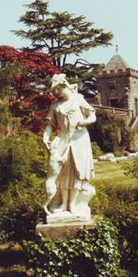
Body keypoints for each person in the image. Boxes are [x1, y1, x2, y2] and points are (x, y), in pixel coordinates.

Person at [43, 74, 96, 220]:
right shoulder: (55, 106)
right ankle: (63, 204)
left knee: (78, 173)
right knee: (62, 175)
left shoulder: (78, 99)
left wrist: (85, 122)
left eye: (56, 90)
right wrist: (45, 137)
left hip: (80, 140)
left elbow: (92, 116)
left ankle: (73, 205)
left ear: (63, 86)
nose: (55, 93)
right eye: (54, 91)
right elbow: (50, 124)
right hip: (63, 140)